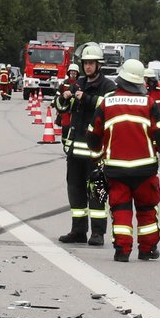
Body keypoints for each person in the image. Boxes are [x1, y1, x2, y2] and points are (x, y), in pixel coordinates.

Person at [92, 59, 160, 261]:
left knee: (120, 209)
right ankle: (147, 250)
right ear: (140, 82)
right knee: (146, 209)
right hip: (145, 169)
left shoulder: (107, 102)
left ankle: (122, 250)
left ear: (120, 79)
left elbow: (93, 134)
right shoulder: (148, 103)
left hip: (116, 169)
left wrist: (97, 157)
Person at [55, 45, 113, 245]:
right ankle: (78, 231)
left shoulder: (108, 86)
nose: (88, 67)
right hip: (75, 151)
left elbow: (109, 107)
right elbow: (61, 108)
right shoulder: (77, 83)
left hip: (96, 152)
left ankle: (97, 233)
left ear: (98, 65)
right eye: (85, 63)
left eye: (91, 63)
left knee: (97, 191)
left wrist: (86, 98)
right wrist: (63, 98)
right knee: (75, 190)